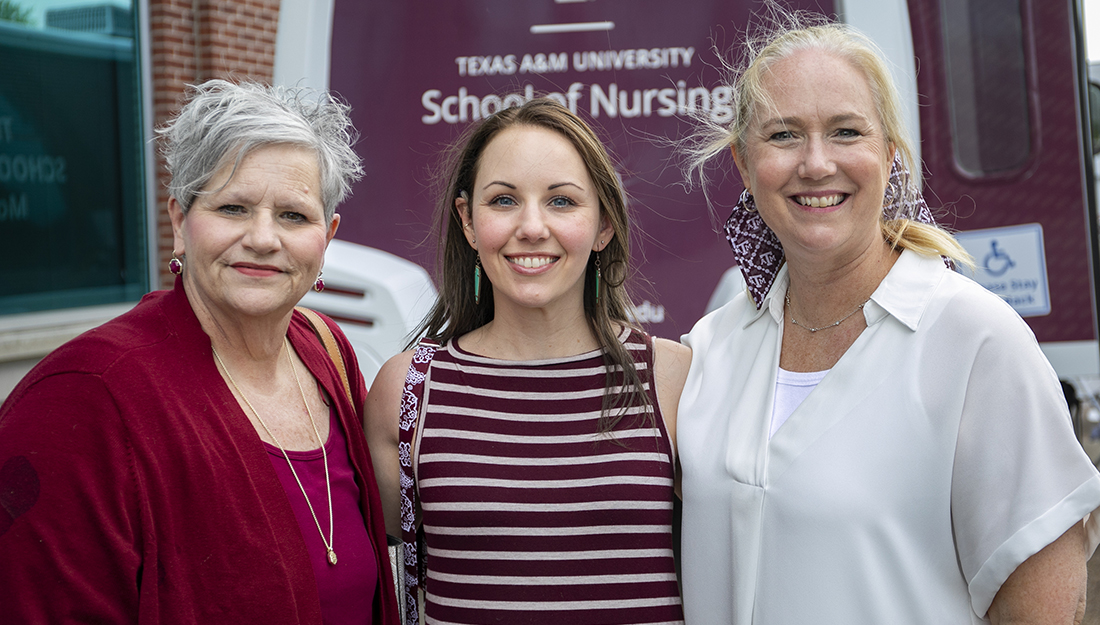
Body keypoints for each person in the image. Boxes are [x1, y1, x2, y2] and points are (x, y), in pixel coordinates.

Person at [676, 12, 1100, 625]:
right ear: (744, 164)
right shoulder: (715, 344)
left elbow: (1041, 610)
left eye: (846, 132)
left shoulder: (976, 341)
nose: (817, 164)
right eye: (784, 135)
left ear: (890, 155)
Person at [0, 80, 399, 624]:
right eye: (233, 207)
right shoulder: (81, 397)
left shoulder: (327, 349)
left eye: (293, 215)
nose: (263, 238)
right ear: (179, 223)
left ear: (326, 236)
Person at [364, 97, 691, 625]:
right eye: (503, 201)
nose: (532, 227)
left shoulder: (673, 379)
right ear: (468, 222)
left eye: (562, 201)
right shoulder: (406, 391)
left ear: (604, 224)